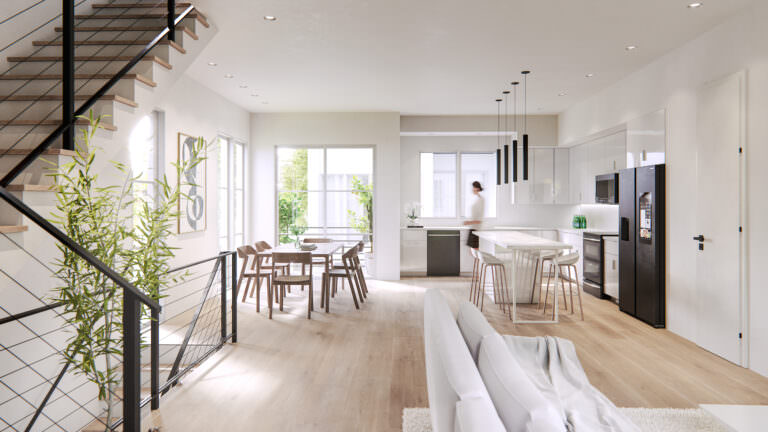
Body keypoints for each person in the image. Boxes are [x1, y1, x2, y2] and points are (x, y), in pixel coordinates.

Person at [464, 181, 485, 249]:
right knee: (473, 251)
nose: (472, 189)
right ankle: (477, 260)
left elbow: (479, 219)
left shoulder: (481, 200)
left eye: (473, 187)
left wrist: (469, 222)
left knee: (475, 251)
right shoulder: (477, 199)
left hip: (476, 229)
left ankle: (479, 260)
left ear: (477, 188)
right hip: (472, 228)